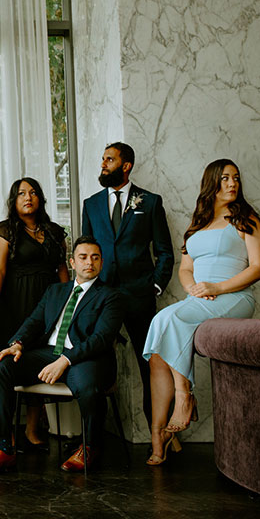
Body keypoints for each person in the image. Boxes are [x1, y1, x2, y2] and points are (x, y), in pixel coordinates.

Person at [142, 159, 260, 465]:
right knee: (158, 343)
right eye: (225, 178)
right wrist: (194, 289)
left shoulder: (246, 219)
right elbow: (186, 269)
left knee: (167, 319)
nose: (232, 183)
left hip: (234, 296)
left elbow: (259, 268)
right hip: (201, 298)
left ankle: (184, 396)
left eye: (236, 178)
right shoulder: (197, 223)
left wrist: (218, 288)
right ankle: (158, 436)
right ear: (211, 183)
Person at [0, 236, 123, 475]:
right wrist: (18, 344)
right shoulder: (55, 290)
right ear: (72, 262)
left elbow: (102, 339)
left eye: (95, 258)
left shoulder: (110, 296)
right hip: (48, 353)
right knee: (0, 366)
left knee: (88, 386)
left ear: (101, 263)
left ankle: (90, 447)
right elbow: (34, 321)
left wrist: (66, 360)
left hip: (84, 357)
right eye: (83, 257)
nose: (89, 263)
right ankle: (3, 449)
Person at [81, 142, 174, 424]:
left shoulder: (150, 202)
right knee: (94, 362)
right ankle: (95, 436)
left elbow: (165, 251)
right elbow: (87, 250)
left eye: (109, 159)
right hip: (102, 297)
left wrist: (154, 286)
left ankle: (160, 433)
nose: (103, 164)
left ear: (126, 166)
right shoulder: (91, 204)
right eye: (102, 158)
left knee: (150, 365)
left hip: (139, 296)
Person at [0, 177, 69, 450]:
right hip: (15, 302)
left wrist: (70, 304)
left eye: (33, 192)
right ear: (14, 200)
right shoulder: (3, 231)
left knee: (39, 361)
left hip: (49, 302)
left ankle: (33, 428)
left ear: (41, 198)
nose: (27, 197)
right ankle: (4, 434)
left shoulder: (55, 231)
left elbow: (62, 271)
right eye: (21, 193)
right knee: (7, 366)